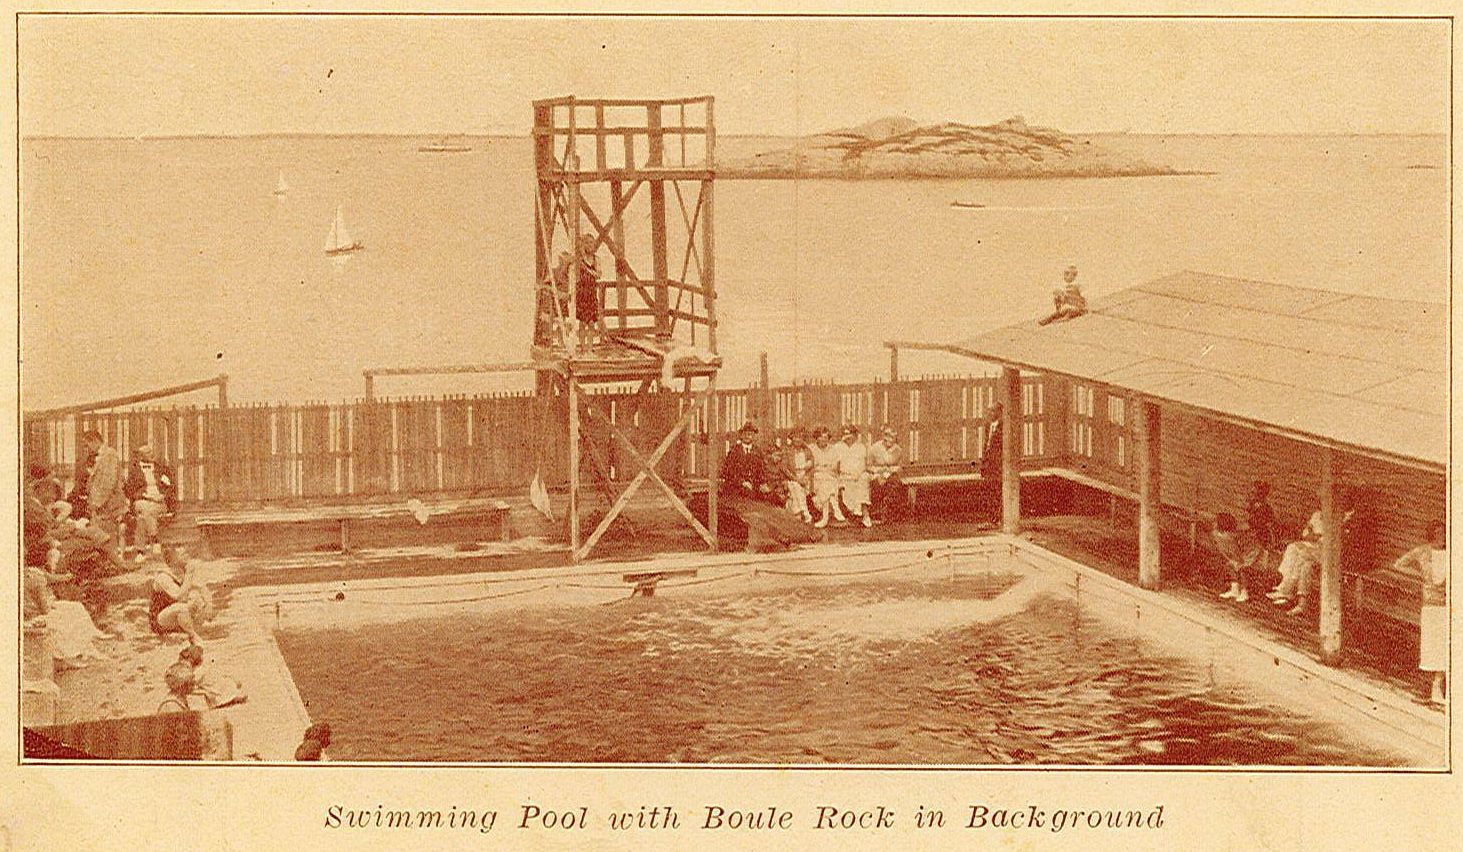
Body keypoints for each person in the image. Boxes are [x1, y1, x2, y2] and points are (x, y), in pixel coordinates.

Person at [1268, 497, 1354, 617]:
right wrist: (1316, 535)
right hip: (1315, 547)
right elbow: (1306, 533)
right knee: (1295, 551)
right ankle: (1294, 598)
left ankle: (1286, 590)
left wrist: (1316, 535)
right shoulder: (1317, 515)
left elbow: (1334, 540)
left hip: (1329, 553)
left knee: (1301, 555)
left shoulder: (1342, 518)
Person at [1393, 522, 1447, 706]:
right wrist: (1418, 577)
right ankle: (1429, 688)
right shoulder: (1422, 552)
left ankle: (1437, 688)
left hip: (1448, 605)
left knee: (1444, 645)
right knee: (1431, 646)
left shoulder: (1452, 553)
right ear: (1431, 535)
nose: (1441, 536)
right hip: (1430, 604)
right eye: (1437, 533)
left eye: (1443, 533)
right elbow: (1399, 564)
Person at [80, 431, 127, 568]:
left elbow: (108, 482)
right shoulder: (102, 456)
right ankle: (111, 565)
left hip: (107, 505)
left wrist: (97, 503)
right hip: (103, 504)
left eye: (87, 445)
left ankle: (114, 566)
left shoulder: (109, 455)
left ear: (94, 440)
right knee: (104, 535)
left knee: (107, 535)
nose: (86, 449)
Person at [124, 444, 177, 562]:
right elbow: (129, 490)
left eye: (151, 452)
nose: (152, 455)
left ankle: (140, 551)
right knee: (144, 509)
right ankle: (155, 540)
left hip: (159, 502)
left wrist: (162, 496)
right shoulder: (135, 471)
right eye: (148, 453)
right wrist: (143, 495)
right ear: (141, 456)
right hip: (143, 500)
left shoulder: (160, 468)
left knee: (142, 517)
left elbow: (171, 486)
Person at [149, 546, 213, 645]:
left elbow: (202, 588)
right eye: (182, 555)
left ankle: (186, 629)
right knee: (182, 607)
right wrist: (189, 575)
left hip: (176, 615)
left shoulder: (181, 572)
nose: (187, 555)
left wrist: (208, 605)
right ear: (172, 560)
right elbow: (180, 597)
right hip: (160, 620)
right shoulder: (163, 577)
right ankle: (193, 636)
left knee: (196, 599)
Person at [553, 234, 601, 350]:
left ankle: (589, 348)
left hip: (591, 292)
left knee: (591, 323)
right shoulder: (579, 260)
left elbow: (598, 275)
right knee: (583, 323)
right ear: (584, 245)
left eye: (592, 243)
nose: (590, 245)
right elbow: (568, 264)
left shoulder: (596, 259)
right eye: (588, 243)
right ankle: (584, 347)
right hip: (581, 292)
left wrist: (588, 270)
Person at [1212, 513, 1261, 603]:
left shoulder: (1232, 537)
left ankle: (1244, 592)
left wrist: (1237, 562)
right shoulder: (1216, 534)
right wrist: (1230, 559)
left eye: (1216, 522)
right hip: (1239, 553)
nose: (1214, 523)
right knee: (1231, 565)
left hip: (1250, 552)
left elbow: (1237, 551)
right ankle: (1234, 589)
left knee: (1242, 569)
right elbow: (1223, 549)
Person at [179, 644, 247, 709]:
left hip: (218, 692)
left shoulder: (197, 673)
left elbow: (189, 686)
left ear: (190, 660)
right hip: (223, 686)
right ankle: (235, 696)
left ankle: (232, 698)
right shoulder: (204, 668)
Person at [835, 425, 873, 528]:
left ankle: (864, 514)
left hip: (858, 475)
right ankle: (857, 511)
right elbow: (836, 466)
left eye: (850, 434)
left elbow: (863, 465)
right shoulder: (838, 447)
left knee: (863, 479)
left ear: (855, 435)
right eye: (845, 434)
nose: (847, 437)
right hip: (844, 476)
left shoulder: (860, 447)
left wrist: (857, 474)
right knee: (847, 485)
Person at [809, 426, 846, 528]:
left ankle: (825, 518)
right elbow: (812, 466)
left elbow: (834, 467)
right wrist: (823, 468)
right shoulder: (811, 448)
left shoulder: (833, 449)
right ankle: (835, 507)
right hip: (815, 476)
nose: (823, 439)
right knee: (823, 479)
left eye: (826, 437)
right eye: (820, 437)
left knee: (827, 481)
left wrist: (823, 468)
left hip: (830, 476)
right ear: (816, 438)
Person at [868, 426, 906, 523]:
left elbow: (900, 467)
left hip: (890, 474)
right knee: (876, 485)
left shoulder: (898, 450)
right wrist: (878, 471)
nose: (890, 440)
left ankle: (889, 514)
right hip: (876, 474)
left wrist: (891, 470)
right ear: (883, 436)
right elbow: (868, 466)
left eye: (893, 437)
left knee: (895, 484)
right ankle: (876, 514)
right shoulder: (874, 448)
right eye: (887, 436)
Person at [1244, 481, 1279, 574]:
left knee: (1260, 559)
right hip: (1258, 534)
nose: (1250, 495)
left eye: (1253, 493)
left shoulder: (1265, 508)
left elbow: (1268, 526)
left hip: (1263, 536)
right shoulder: (1254, 506)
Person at [781, 429, 815, 523]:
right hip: (792, 478)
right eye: (795, 437)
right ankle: (805, 512)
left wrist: (806, 477)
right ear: (792, 439)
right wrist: (796, 479)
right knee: (795, 486)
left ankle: (797, 514)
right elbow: (784, 468)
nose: (798, 440)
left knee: (796, 490)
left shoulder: (807, 451)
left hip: (805, 479)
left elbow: (812, 467)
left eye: (800, 437)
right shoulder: (787, 451)